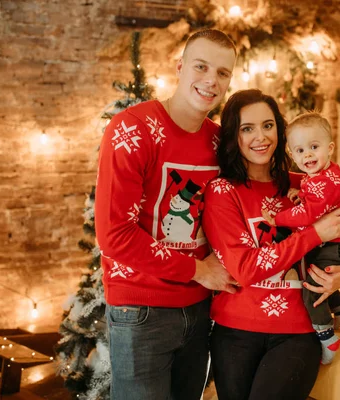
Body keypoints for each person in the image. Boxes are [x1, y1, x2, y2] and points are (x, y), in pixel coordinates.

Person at [94, 29, 239, 400]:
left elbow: (264, 188)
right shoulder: (133, 129)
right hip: (142, 310)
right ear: (180, 67)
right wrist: (197, 270)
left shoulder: (220, 142)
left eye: (222, 73)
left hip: (200, 308)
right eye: (201, 66)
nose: (211, 80)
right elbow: (115, 235)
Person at [202, 89, 340, 400]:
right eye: (247, 128)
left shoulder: (310, 185)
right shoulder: (222, 192)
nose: (261, 137)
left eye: (268, 125)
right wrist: (314, 234)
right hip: (236, 333)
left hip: (298, 331)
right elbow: (245, 268)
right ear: (235, 135)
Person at [262, 112, 340, 364]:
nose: (307, 155)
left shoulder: (327, 182)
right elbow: (315, 202)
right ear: (292, 154)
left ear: (330, 149)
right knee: (320, 271)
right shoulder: (322, 176)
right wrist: (301, 194)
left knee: (311, 284)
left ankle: (326, 336)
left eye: (314, 147)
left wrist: (279, 219)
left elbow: (308, 214)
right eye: (299, 150)